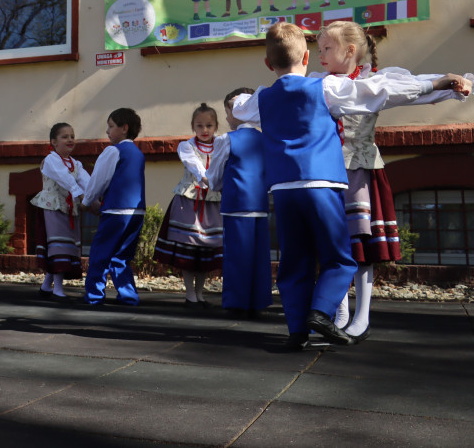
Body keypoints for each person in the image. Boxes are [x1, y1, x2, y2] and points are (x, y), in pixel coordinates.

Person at [232, 22, 471, 350]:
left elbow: (239, 107)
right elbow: (379, 92)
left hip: (283, 190)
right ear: (305, 57)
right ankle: (321, 312)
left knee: (294, 261)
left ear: (268, 64)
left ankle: (297, 331)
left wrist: (248, 97)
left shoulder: (262, 98)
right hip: (321, 183)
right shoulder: (326, 88)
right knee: (340, 257)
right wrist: (440, 82)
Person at [311, 21, 472, 341]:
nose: (321, 56)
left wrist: (451, 82)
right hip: (328, 172)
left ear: (350, 51)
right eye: (319, 50)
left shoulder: (375, 82)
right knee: (333, 243)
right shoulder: (318, 83)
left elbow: (411, 89)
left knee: (362, 246)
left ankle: (362, 316)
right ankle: (338, 311)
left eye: (327, 49)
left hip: (361, 169)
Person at [204, 88, 272, 318]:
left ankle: (237, 301)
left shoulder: (227, 139)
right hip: (260, 204)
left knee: (236, 255)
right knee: (260, 255)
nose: (226, 118)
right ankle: (259, 299)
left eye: (228, 112)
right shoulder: (266, 138)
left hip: (236, 205)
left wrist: (218, 185)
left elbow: (214, 175)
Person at [155, 103, 224, 308]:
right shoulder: (186, 146)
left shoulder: (221, 144)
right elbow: (194, 165)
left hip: (212, 203)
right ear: (193, 126)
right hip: (189, 202)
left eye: (209, 125)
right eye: (199, 125)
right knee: (189, 248)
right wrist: (208, 179)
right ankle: (190, 293)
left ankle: (200, 294)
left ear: (216, 126)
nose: (204, 130)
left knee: (206, 249)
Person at [80, 108, 146, 307]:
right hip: (136, 211)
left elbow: (99, 179)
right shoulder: (138, 153)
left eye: (110, 126)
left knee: (101, 252)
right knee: (122, 256)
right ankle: (128, 295)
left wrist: (86, 201)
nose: (107, 131)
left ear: (124, 128)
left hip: (116, 210)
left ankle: (94, 296)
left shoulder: (113, 151)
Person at [30, 122, 89, 301]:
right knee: (58, 246)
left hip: (68, 209)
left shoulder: (76, 164)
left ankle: (47, 286)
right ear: (54, 142)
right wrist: (78, 193)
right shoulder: (51, 160)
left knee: (66, 246)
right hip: (53, 207)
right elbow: (63, 177)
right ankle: (57, 289)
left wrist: (92, 196)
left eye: (72, 136)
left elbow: (86, 181)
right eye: (65, 137)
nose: (70, 139)